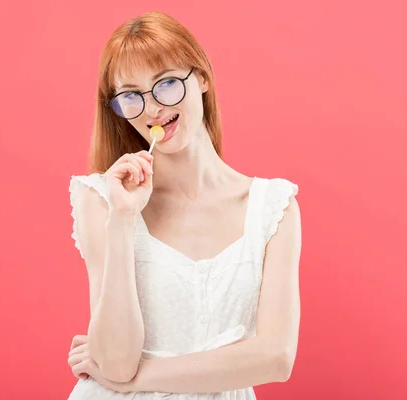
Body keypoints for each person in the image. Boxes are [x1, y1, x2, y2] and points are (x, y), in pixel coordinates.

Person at [67, 11, 302, 399]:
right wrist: (123, 221)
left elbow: (276, 356)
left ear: (203, 78)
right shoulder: (104, 200)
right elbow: (116, 363)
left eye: (167, 84)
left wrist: (140, 380)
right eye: (131, 96)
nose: (152, 108)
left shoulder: (273, 208)